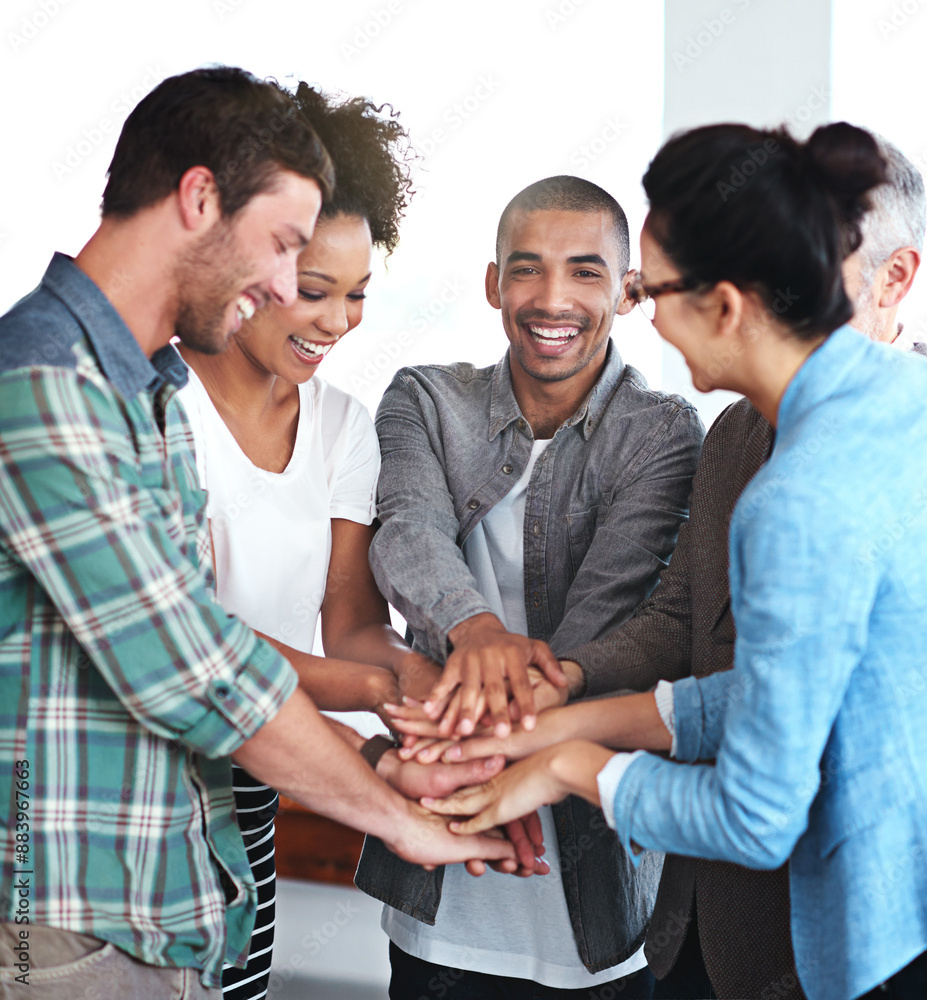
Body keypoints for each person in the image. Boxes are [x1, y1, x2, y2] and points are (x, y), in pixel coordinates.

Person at [419, 124, 927, 1000]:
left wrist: (572, 769)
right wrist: (558, 728)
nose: (642, 312)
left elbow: (756, 817)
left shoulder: (800, 497)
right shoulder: (918, 401)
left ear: (727, 305)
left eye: (654, 291)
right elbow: (787, 686)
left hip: (898, 951)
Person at [0, 66, 516, 1000]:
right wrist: (394, 809)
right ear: (200, 198)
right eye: (284, 248)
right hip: (68, 918)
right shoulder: (43, 383)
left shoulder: (135, 387)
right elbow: (195, 665)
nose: (286, 285)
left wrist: (385, 738)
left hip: (174, 893)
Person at [355, 175, 705, 998]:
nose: (553, 298)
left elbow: (609, 618)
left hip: (600, 887)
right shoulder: (425, 399)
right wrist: (475, 629)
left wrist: (493, 722)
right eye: (526, 269)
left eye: (585, 272)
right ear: (492, 283)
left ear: (628, 292)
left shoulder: (664, 430)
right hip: (440, 881)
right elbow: (407, 535)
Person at [174, 81, 463, 1000]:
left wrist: (438, 700)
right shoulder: (155, 406)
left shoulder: (343, 426)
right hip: (140, 788)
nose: (338, 322)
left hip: (259, 783)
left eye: (360, 294)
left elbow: (348, 627)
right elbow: (192, 648)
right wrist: (383, 699)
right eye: (314, 290)